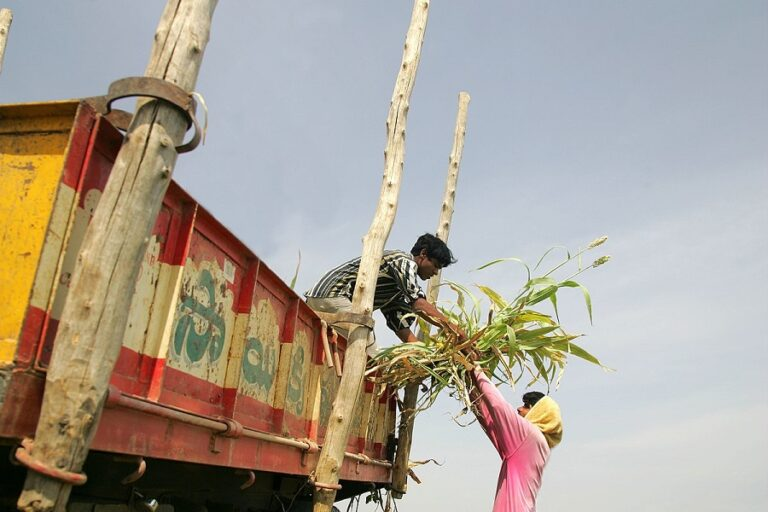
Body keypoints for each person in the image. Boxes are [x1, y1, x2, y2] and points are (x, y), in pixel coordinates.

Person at [305, 233, 465, 355]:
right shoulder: (403, 261)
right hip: (333, 294)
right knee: (368, 348)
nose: (435, 272)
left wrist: (424, 356)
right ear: (423, 254)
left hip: (324, 301)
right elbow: (419, 304)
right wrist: (454, 329)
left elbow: (401, 327)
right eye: (435, 265)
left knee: (358, 346)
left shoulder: (396, 289)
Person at [468, 365, 563, 512]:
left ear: (540, 413)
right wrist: (469, 384)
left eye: (526, 405)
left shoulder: (529, 434)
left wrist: (475, 369)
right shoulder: (538, 444)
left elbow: (498, 406)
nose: (519, 408)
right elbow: (489, 422)